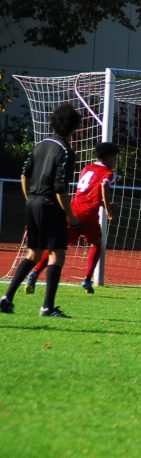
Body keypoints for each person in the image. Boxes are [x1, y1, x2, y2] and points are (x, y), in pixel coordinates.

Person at [0, 102, 82, 317]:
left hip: (33, 203)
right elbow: (60, 189)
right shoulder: (65, 150)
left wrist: (30, 199)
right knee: (57, 255)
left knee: (33, 253)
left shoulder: (40, 145)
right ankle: (47, 307)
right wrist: (71, 216)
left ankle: (7, 298)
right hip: (51, 205)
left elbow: (24, 175)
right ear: (74, 127)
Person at [24, 142, 118, 295]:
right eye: (115, 157)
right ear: (108, 157)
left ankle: (34, 273)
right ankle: (87, 279)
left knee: (57, 247)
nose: (115, 161)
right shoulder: (108, 172)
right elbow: (105, 185)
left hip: (73, 210)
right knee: (98, 244)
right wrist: (108, 208)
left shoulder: (87, 168)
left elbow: (88, 193)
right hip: (88, 214)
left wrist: (102, 203)